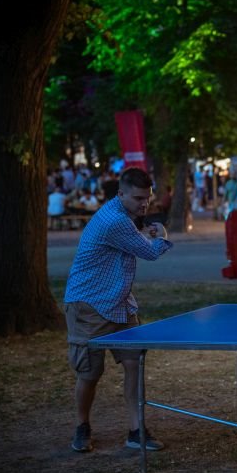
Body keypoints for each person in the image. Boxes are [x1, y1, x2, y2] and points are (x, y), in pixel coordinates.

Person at [64, 168, 173, 453]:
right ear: (120, 194)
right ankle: (82, 427)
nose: (144, 205)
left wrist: (141, 231)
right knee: (89, 373)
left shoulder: (122, 216)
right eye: (138, 198)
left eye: (147, 199)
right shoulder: (114, 221)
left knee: (134, 363)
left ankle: (137, 431)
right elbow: (150, 252)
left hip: (121, 302)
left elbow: (130, 238)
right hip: (89, 304)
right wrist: (161, 233)